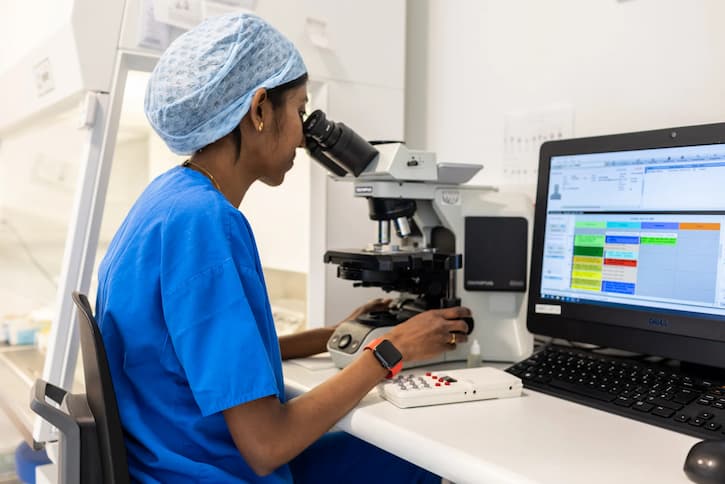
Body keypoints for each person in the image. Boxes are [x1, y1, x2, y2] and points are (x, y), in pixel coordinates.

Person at [96, 12, 471, 483]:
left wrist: (331, 335)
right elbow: (267, 445)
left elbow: (191, 355)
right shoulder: (207, 224)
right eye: (298, 110)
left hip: (172, 463)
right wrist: (389, 351)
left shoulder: (166, 202)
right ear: (258, 111)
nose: (302, 133)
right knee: (424, 459)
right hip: (218, 473)